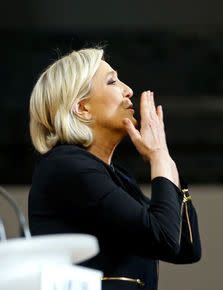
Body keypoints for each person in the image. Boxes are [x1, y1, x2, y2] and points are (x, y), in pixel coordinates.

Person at [28, 47, 201, 290]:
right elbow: (163, 237)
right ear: (82, 108)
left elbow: (186, 247)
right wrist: (158, 157)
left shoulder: (118, 177)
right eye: (112, 82)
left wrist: (165, 159)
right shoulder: (66, 167)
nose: (128, 90)